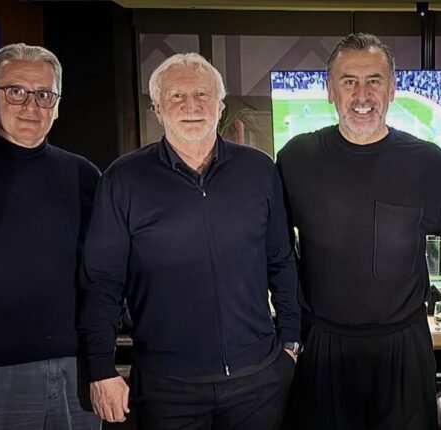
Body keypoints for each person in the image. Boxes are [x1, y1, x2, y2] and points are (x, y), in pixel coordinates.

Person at [79, 52, 300, 429]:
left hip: (258, 380)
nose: (191, 106)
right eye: (176, 96)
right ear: (157, 108)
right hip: (167, 387)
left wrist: (291, 344)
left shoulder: (258, 170)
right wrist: (101, 368)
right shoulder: (124, 179)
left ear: (220, 105)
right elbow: (102, 281)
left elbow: (281, 261)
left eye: (202, 94)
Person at [277, 33, 441, 430]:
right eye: (349, 81)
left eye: (374, 80)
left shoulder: (429, 163)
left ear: (392, 88)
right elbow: (276, 255)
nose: (362, 95)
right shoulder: (296, 159)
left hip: (404, 348)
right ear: (330, 89)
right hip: (323, 346)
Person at [0, 43, 101, 429]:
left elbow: (104, 273)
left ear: (56, 105)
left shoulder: (84, 175)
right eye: (16, 91)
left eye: (44, 94)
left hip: (76, 372)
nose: (30, 105)